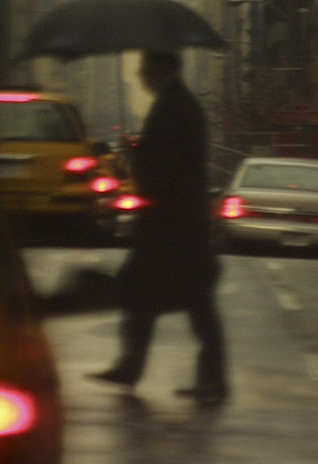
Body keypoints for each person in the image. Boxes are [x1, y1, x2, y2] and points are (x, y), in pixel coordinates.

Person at [88, 49, 229, 404]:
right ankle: (139, 367)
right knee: (153, 294)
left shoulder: (172, 107)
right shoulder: (179, 104)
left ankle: (205, 379)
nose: (140, 76)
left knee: (179, 299)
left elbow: (159, 172)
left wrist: (135, 156)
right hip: (179, 223)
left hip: (173, 225)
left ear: (162, 67)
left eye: (144, 68)